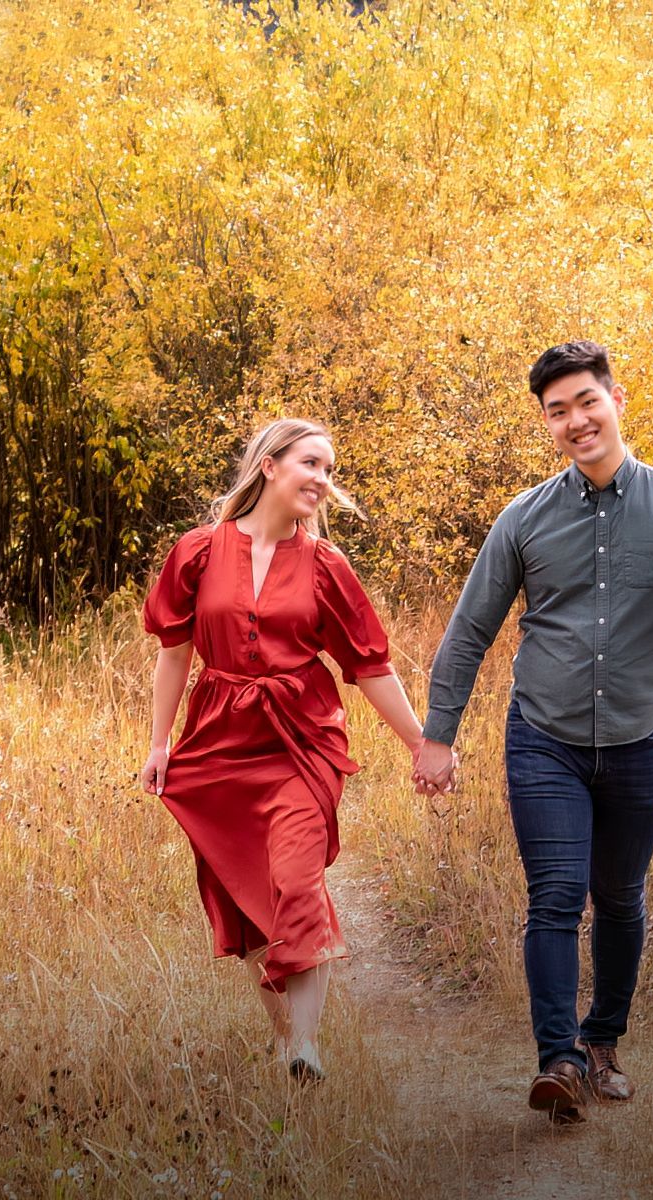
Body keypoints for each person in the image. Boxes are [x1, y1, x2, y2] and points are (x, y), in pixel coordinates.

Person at [413, 341, 653, 1123]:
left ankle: (601, 1043)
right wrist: (438, 733)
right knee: (556, 893)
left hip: (636, 741)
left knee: (619, 896)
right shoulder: (523, 519)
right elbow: (468, 633)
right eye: (557, 411)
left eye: (585, 402)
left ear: (616, 399)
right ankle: (557, 1060)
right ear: (548, 424)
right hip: (543, 736)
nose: (574, 421)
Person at [139, 418, 432, 1083]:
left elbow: (370, 667)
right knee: (242, 897)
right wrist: (160, 745)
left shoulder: (326, 567)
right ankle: (283, 1036)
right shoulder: (198, 552)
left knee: (296, 880)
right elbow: (174, 653)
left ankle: (306, 1047)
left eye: (330, 471)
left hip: (301, 739)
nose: (324, 482)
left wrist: (420, 743)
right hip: (216, 741)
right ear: (269, 466)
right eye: (312, 464)